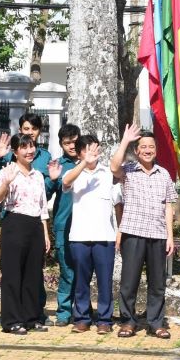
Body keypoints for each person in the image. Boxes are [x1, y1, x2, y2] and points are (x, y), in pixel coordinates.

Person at [110, 124, 177, 339]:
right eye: (143, 147)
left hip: (158, 235)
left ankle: (156, 322)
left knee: (157, 283)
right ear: (137, 151)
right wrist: (125, 140)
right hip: (133, 233)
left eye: (151, 147)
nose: (148, 150)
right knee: (129, 282)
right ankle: (128, 321)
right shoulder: (128, 171)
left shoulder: (164, 174)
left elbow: (168, 206)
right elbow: (113, 167)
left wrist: (170, 236)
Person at [0, 113, 55, 323]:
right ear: (15, 152)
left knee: (32, 274)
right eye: (24, 148)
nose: (29, 151)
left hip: (35, 225)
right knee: (13, 274)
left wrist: (45, 233)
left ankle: (31, 316)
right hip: (14, 224)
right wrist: (6, 183)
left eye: (31, 147)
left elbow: (42, 206)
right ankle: (11, 320)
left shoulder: (37, 175)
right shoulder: (8, 172)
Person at [61, 133, 120, 334]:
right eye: (86, 150)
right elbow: (66, 182)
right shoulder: (74, 172)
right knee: (81, 280)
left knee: (105, 280)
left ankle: (104, 319)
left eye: (94, 149)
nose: (91, 154)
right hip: (80, 236)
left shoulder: (107, 173)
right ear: (79, 153)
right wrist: (83, 163)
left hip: (105, 236)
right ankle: (82, 317)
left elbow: (118, 200)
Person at [45, 124, 81, 327]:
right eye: (67, 143)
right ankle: (64, 311)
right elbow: (45, 194)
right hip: (64, 225)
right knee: (67, 270)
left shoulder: (89, 163)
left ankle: (82, 309)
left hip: (86, 227)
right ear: (61, 144)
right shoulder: (57, 164)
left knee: (84, 269)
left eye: (74, 141)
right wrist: (52, 180)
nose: (71, 146)